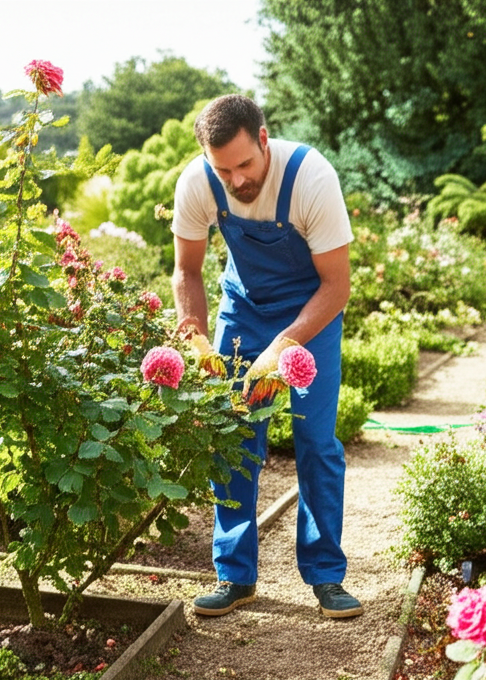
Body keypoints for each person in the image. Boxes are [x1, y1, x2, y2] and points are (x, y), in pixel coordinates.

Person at [170, 94, 362, 619]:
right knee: (233, 438)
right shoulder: (197, 182)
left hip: (310, 311)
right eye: (222, 170)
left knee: (315, 440)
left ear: (263, 138)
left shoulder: (310, 177)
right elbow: (187, 271)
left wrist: (283, 346)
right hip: (243, 310)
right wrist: (197, 338)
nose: (235, 180)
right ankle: (235, 576)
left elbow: (337, 286)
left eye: (245, 165)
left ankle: (326, 576)